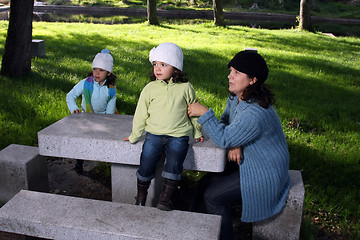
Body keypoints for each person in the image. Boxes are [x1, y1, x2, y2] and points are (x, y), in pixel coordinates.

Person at [187, 50, 290, 239]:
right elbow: (227, 125)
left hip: (263, 171)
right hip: (248, 161)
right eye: (231, 70)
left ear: (252, 80)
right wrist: (237, 143)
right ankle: (194, 229)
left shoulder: (256, 112)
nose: (230, 75)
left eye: (236, 72)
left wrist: (204, 113)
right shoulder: (237, 97)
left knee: (212, 196)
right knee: (205, 183)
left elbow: (224, 138)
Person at [124, 42, 204, 211]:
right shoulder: (150, 89)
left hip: (179, 135)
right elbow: (141, 114)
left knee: (174, 164)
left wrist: (197, 132)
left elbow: (193, 111)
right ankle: (140, 197)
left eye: (163, 64)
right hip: (154, 135)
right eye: (155, 64)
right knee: (146, 163)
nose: (157, 69)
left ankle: (165, 199)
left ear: (176, 68)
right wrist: (134, 135)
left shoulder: (186, 88)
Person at [66, 49, 117, 173]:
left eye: (101, 70)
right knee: (82, 141)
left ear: (109, 73)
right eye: (95, 69)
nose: (97, 73)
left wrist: (107, 121)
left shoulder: (111, 89)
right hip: (86, 118)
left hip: (103, 118)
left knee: (105, 139)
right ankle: (79, 162)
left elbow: (110, 110)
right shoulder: (85, 84)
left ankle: (108, 160)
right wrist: (74, 109)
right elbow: (70, 96)